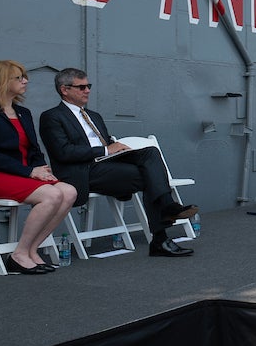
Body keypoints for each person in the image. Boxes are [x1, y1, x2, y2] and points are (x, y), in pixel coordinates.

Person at [39, 68, 199, 256]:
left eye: (88, 86)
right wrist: (106, 150)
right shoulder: (52, 117)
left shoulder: (94, 116)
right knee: (149, 176)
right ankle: (162, 231)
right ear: (64, 90)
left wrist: (118, 147)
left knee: (150, 153)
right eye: (81, 87)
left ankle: (165, 215)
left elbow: (105, 142)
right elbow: (63, 153)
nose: (87, 90)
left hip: (107, 163)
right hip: (83, 170)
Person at [0, 60, 77, 274]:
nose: (25, 81)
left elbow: (34, 149)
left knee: (69, 191)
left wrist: (41, 168)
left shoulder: (23, 112)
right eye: (19, 78)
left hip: (24, 175)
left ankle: (32, 250)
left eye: (24, 76)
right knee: (52, 196)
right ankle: (19, 254)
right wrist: (29, 171)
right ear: (2, 81)